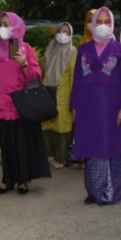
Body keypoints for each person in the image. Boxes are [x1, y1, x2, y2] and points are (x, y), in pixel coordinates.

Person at [0, 12, 51, 195]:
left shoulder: (24, 49)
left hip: (20, 104)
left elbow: (36, 76)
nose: (4, 28)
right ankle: (7, 180)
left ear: (17, 26)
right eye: (2, 24)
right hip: (2, 103)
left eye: (7, 24)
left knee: (21, 144)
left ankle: (23, 180)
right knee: (6, 143)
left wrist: (25, 64)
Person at [70, 6, 121, 205]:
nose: (103, 26)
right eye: (99, 22)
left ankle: (109, 194)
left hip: (112, 107)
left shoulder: (120, 50)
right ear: (91, 25)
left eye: (107, 22)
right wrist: (74, 107)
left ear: (113, 24)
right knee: (90, 146)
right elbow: (77, 80)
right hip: (87, 106)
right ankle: (93, 191)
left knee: (110, 147)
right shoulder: (83, 50)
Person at [42, 22, 77, 168]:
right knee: (47, 123)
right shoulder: (50, 48)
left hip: (63, 92)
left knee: (62, 124)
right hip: (48, 90)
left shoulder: (73, 51)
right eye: (60, 31)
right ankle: (50, 155)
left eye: (66, 33)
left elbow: (74, 76)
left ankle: (61, 158)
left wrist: (74, 100)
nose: (62, 35)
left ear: (70, 35)